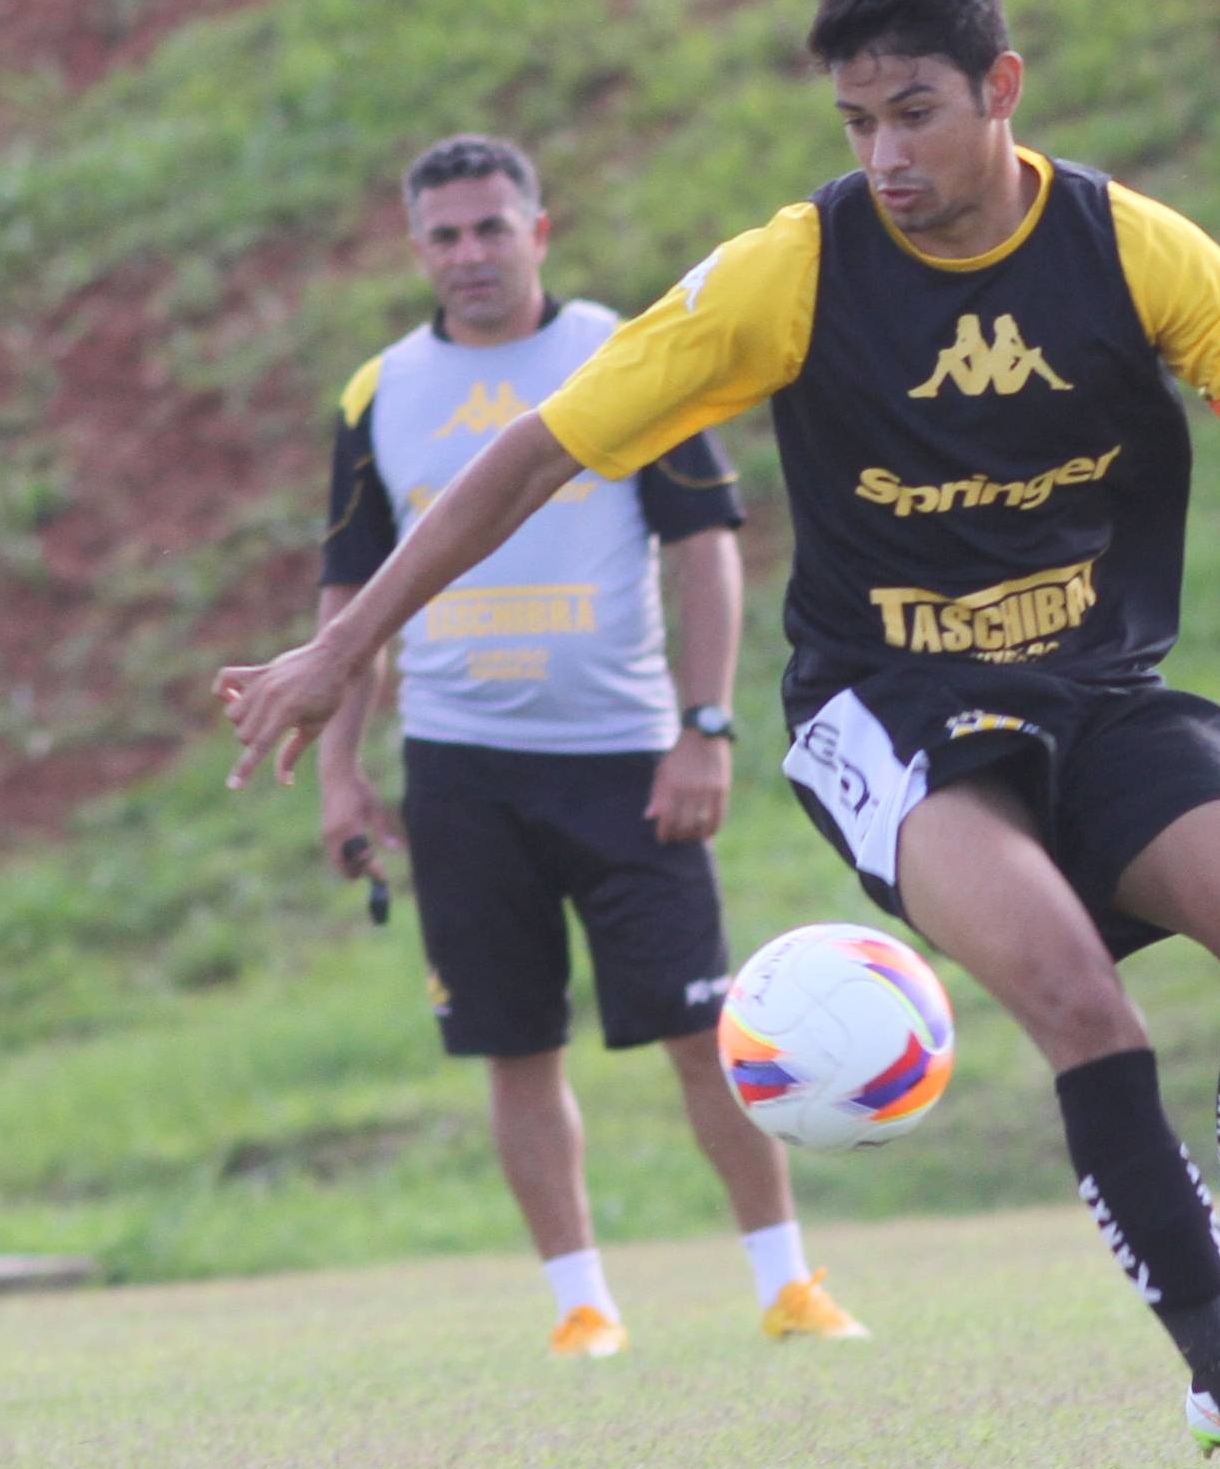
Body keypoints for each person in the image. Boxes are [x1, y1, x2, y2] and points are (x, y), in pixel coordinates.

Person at [228, 0, 1220, 1469]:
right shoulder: (792, 273)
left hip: (1100, 691)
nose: (886, 158)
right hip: (887, 708)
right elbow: (534, 460)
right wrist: (342, 647)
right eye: (855, 123)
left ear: (1002, 89)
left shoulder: (1136, 254)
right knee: (1073, 989)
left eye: (915, 112)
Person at [315, 132, 865, 1359]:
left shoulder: (620, 354)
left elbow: (706, 544)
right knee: (514, 1045)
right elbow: (350, 597)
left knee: (698, 1029)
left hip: (628, 763)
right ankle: (581, 1306)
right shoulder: (380, 393)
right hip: (458, 771)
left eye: (492, 227)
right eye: (445, 235)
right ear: (415, 250)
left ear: (539, 231)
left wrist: (704, 727)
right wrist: (343, 771)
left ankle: (786, 1284)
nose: (470, 253)